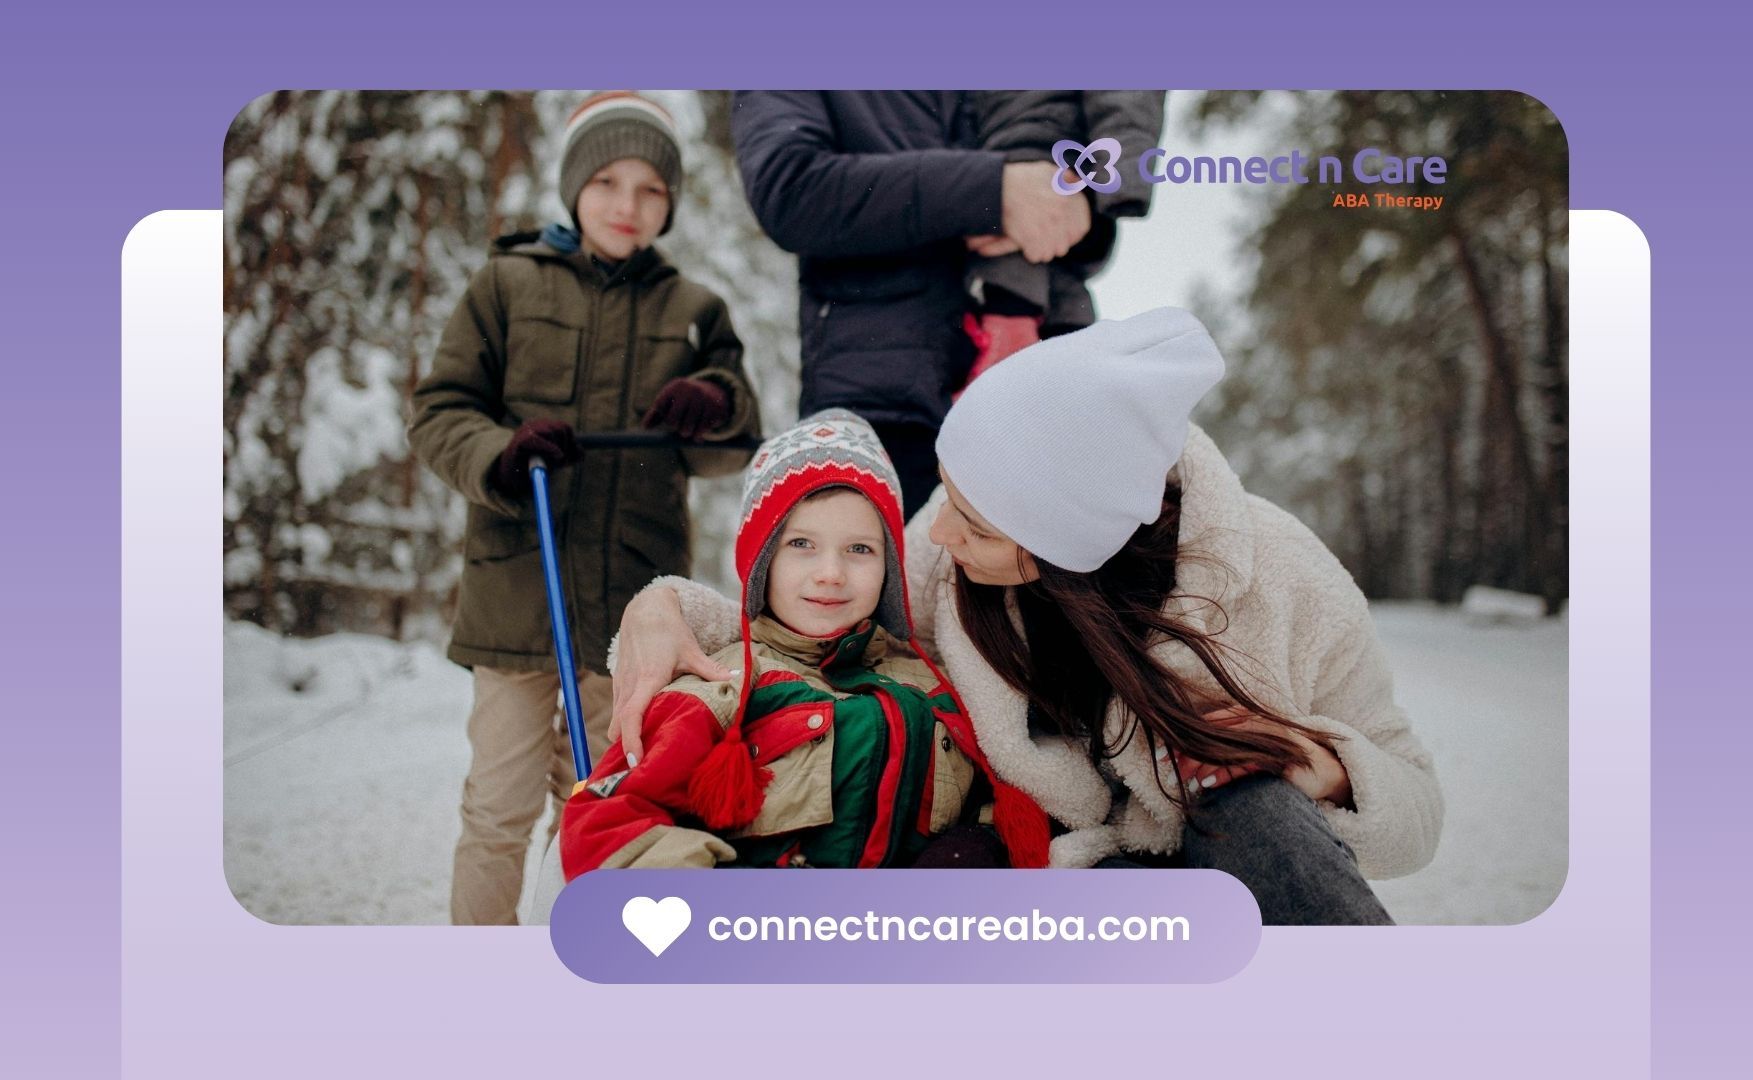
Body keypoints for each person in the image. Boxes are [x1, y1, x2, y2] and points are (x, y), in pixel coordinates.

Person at [609, 308, 1443, 925]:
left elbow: (1417, 808)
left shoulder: (1282, 576)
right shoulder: (948, 564)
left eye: (972, 521)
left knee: (1259, 809)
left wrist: (1320, 761)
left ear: (1063, 540)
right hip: (1072, 885)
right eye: (946, 493)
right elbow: (824, 628)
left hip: (1242, 872)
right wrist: (664, 603)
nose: (935, 533)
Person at [408, 91, 760, 924]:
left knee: (606, 802)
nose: (627, 206)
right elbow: (440, 411)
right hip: (515, 596)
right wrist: (500, 451)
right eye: (607, 182)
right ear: (573, 188)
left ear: (670, 202)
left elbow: (735, 440)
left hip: (633, 610)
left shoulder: (694, 310)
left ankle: (586, 962)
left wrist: (713, 401)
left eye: (650, 189)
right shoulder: (505, 284)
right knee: (496, 810)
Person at [559, 411, 1047, 875]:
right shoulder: (723, 686)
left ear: (889, 569)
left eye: (860, 549)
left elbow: (987, 806)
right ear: (763, 560)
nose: (831, 574)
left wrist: (974, 849)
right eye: (801, 545)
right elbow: (606, 823)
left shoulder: (930, 687)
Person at [731, 91, 1097, 519]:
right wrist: (992, 192)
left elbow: (1071, 184)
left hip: (1035, 397)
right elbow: (790, 188)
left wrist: (1080, 213)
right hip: (885, 417)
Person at [960, 91, 1165, 388]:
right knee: (1060, 327)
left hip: (1049, 168)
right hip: (1004, 177)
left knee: (1036, 316)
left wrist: (1119, 181)